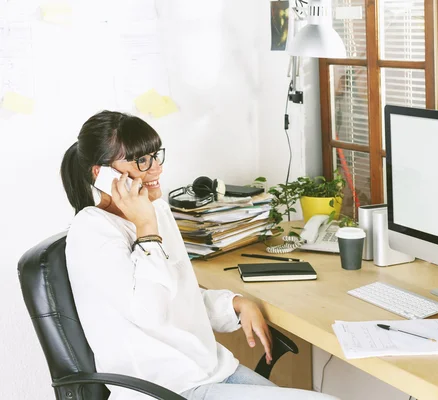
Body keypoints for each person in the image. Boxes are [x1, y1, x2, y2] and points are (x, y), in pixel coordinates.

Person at [61, 110, 338, 400]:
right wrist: (146, 231)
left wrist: (235, 304)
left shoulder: (157, 212)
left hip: (210, 370)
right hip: (165, 388)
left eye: (156, 156)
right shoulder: (92, 231)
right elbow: (150, 312)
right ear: (101, 173)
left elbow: (181, 298)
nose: (156, 169)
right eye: (142, 160)